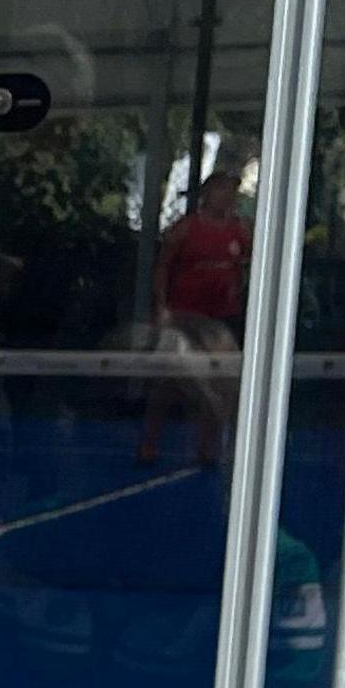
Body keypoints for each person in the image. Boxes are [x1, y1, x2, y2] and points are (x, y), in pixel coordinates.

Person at [139, 162, 252, 466]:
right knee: (167, 379)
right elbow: (162, 267)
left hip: (220, 318)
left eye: (231, 191)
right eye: (221, 190)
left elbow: (248, 266)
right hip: (184, 315)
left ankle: (208, 448)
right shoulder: (187, 228)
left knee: (217, 383)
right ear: (207, 194)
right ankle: (149, 442)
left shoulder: (240, 230)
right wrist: (162, 307)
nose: (227, 196)